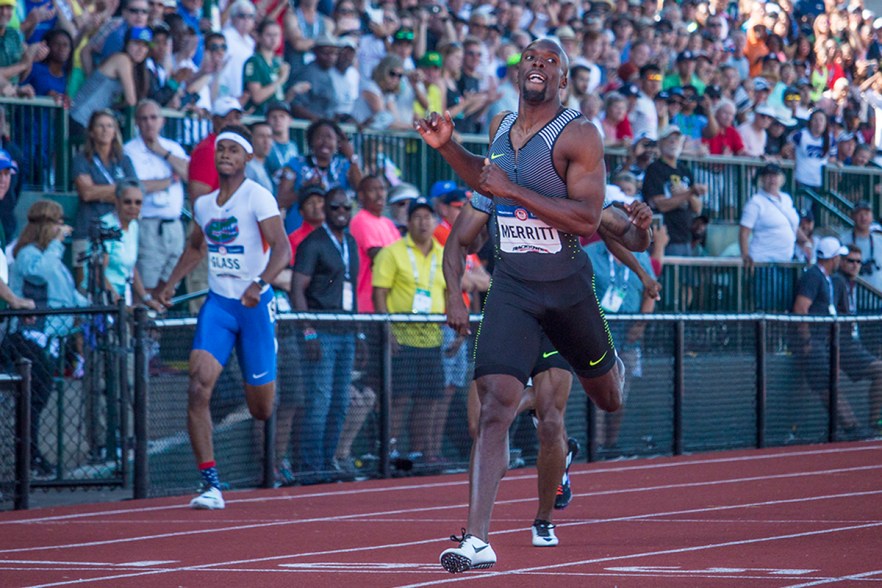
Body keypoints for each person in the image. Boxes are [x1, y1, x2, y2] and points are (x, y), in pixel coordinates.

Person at [416, 39, 626, 572]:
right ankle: (478, 540)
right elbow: (485, 186)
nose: (539, 65)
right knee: (494, 408)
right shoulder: (501, 129)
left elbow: (585, 218)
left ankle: (607, 366)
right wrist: (448, 149)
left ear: (562, 81)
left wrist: (517, 191)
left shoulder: (578, 133)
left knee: (609, 398)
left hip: (567, 289)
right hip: (514, 287)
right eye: (531, 58)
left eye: (550, 61)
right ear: (517, 73)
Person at [157, 126, 290, 509]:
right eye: (221, 150)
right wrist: (169, 286)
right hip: (219, 304)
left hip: (254, 306)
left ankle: (267, 356)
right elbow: (196, 248)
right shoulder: (204, 204)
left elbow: (282, 249)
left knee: (261, 409)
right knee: (198, 386)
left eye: (234, 150)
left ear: (248, 157)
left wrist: (260, 283)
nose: (225, 155)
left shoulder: (257, 197)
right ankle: (211, 484)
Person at [7, 200, 89, 475]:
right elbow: (40, 273)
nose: (60, 228)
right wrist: (56, 244)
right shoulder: (30, 253)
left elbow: (66, 292)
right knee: (33, 401)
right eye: (56, 223)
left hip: (52, 339)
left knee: (40, 402)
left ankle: (31, 454)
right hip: (30, 339)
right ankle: (26, 456)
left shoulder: (53, 258)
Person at [291, 187, 361, 482]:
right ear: (326, 211)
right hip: (321, 330)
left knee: (340, 400)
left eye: (346, 207)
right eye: (335, 208)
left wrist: (360, 335)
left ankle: (327, 460)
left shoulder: (352, 243)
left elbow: (351, 289)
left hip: (346, 331)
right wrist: (308, 332)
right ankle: (310, 465)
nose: (342, 212)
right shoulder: (313, 243)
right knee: (319, 399)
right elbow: (297, 289)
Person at [372, 196, 446, 464]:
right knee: (399, 397)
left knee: (429, 399)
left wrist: (458, 333)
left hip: (433, 339)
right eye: (417, 217)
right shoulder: (392, 252)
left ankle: (418, 452)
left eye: (428, 217)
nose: (423, 222)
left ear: (435, 221)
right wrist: (387, 331)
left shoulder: (442, 252)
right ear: (408, 221)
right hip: (402, 338)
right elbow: (379, 293)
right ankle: (388, 450)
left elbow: (451, 292)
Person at [123, 99, 189, 298]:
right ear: (137, 123)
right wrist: (169, 180)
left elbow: (188, 174)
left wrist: (163, 153)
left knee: (170, 286)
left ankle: (159, 326)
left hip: (175, 225)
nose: (149, 123)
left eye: (153, 118)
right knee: (148, 285)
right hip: (148, 225)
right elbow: (137, 187)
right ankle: (146, 328)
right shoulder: (130, 150)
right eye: (144, 119)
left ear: (162, 121)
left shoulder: (173, 147)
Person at [792, 237, 858, 434]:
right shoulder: (813, 276)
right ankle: (851, 426)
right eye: (839, 257)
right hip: (814, 343)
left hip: (824, 343)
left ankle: (853, 425)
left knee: (830, 384)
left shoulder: (829, 279)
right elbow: (800, 308)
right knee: (827, 386)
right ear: (833, 258)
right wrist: (806, 341)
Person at [71, 110, 137, 288]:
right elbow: (87, 193)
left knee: (116, 284)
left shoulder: (124, 160)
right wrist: (119, 191)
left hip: (116, 232)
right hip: (87, 230)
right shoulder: (81, 159)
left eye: (109, 126)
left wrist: (99, 191)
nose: (105, 130)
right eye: (100, 125)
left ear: (115, 131)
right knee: (84, 288)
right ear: (91, 131)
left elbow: (133, 192)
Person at [276, 118, 362, 233]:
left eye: (329, 137)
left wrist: (351, 157)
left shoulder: (345, 166)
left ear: (338, 143)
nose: (325, 141)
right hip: (299, 232)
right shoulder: (295, 165)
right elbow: (280, 201)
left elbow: (361, 190)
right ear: (311, 141)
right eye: (319, 137)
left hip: (334, 233)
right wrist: (304, 190)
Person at [833, 244, 882, 435]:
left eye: (858, 262)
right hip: (841, 345)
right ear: (841, 261)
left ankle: (875, 420)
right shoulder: (837, 281)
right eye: (850, 261)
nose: (855, 265)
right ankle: (874, 421)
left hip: (853, 343)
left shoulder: (852, 284)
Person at [70, 26, 153, 134]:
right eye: (136, 43)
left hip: (87, 121)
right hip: (79, 117)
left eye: (145, 45)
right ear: (127, 44)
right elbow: (131, 100)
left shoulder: (134, 66)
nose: (141, 49)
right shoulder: (122, 59)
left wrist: (115, 107)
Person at [643, 125, 706, 256]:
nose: (673, 142)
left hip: (686, 237)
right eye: (669, 139)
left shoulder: (685, 170)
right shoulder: (655, 169)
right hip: (665, 238)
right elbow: (661, 205)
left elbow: (697, 208)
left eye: (677, 139)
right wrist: (689, 193)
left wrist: (687, 192)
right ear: (660, 143)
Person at [345, 175, 400, 313]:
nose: (379, 194)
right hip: (368, 301)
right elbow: (378, 255)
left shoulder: (388, 223)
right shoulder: (360, 220)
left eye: (382, 189)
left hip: (390, 299)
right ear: (361, 195)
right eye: (373, 190)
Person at [243, 19, 290, 117]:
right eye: (269, 35)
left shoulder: (277, 64)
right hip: (260, 117)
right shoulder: (254, 61)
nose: (273, 39)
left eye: (276, 35)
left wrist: (294, 91)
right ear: (259, 37)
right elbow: (257, 96)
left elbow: (280, 97)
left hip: (276, 117)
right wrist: (280, 80)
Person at [839, 201, 882, 292]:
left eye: (866, 214)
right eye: (860, 214)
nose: (863, 218)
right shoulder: (843, 240)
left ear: (872, 217)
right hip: (852, 297)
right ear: (853, 216)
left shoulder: (880, 240)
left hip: (878, 298)